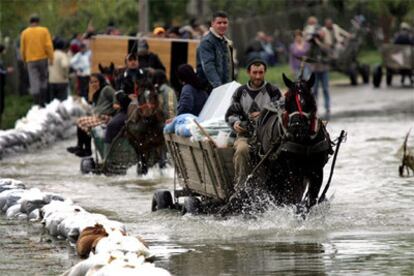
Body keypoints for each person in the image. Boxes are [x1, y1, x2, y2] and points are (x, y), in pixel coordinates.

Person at [225, 59, 281, 190]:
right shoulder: (239, 92)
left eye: (261, 72)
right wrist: (236, 122)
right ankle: (240, 187)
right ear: (248, 72)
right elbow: (231, 114)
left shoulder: (273, 91)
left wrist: (263, 113)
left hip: (270, 137)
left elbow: (281, 110)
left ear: (265, 72)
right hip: (245, 135)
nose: (258, 76)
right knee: (242, 150)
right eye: (254, 72)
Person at [66, 73, 116, 157]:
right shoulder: (97, 92)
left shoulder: (107, 89)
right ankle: (85, 149)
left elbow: (116, 97)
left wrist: (115, 105)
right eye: (91, 82)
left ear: (101, 81)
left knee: (81, 121)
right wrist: (91, 93)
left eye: (96, 82)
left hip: (106, 117)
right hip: (99, 117)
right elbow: (90, 103)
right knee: (85, 125)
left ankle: (82, 147)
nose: (94, 84)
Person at [20, 14, 54, 107]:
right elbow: (48, 45)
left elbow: (23, 48)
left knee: (34, 79)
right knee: (43, 78)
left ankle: (36, 101)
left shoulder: (24, 33)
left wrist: (24, 60)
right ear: (38, 22)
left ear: (30, 22)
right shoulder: (44, 30)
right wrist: (51, 57)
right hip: (42, 58)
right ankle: (42, 100)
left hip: (30, 60)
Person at [196, 11, 234, 91]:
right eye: (219, 23)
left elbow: (228, 68)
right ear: (212, 24)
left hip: (224, 87)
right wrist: (219, 88)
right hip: (209, 89)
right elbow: (208, 66)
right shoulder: (207, 41)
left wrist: (228, 87)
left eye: (225, 23)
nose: (222, 25)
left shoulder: (225, 41)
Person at [308, 29, 332, 119]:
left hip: (324, 69)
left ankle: (327, 107)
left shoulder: (325, 42)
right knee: (314, 90)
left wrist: (319, 43)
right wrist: (311, 42)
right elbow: (309, 54)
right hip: (315, 70)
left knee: (325, 89)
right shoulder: (312, 45)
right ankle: (314, 107)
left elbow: (327, 51)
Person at [48, 37, 69, 102]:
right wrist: (65, 75)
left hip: (52, 81)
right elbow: (65, 65)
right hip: (61, 81)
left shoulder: (51, 55)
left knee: (53, 102)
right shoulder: (62, 55)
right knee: (62, 102)